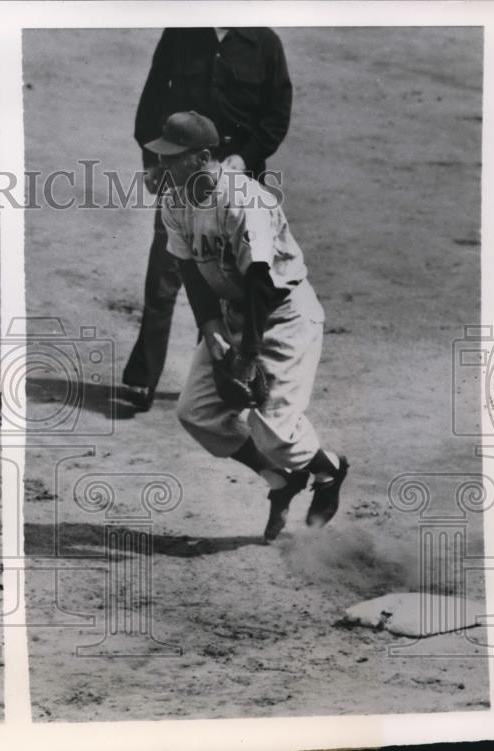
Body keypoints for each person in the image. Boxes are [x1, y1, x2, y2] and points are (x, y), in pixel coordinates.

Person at [145, 111, 347, 541]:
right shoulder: (176, 200)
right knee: (196, 413)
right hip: (233, 312)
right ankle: (281, 478)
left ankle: (328, 470)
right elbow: (188, 266)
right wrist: (213, 330)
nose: (164, 166)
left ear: (201, 157)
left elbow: (260, 282)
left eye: (173, 158)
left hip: (282, 313)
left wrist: (248, 355)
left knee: (272, 429)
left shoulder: (243, 201)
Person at [123, 27, 292, 411]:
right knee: (164, 277)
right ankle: (143, 377)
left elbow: (276, 115)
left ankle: (226, 379)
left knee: (232, 283)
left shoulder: (263, 42)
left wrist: (245, 157)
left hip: (238, 181)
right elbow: (152, 102)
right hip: (181, 173)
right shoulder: (182, 31)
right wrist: (153, 163)